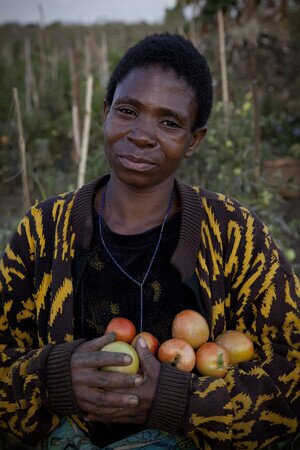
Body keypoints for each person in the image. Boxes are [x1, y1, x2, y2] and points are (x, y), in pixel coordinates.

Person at [0, 33, 299, 450]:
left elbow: (291, 375)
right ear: (105, 113)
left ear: (194, 140)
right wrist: (54, 378)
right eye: (127, 110)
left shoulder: (236, 234)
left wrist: (179, 400)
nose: (141, 135)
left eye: (169, 122)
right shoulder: (42, 230)